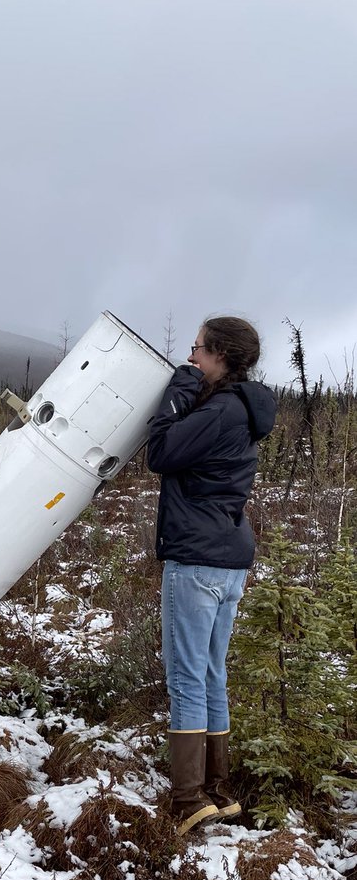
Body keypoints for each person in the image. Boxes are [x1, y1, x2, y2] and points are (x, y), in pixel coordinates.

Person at [147, 316, 276, 835]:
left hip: (197, 559)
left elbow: (161, 451)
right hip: (227, 559)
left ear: (219, 353)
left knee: (185, 674)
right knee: (211, 673)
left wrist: (179, 388)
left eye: (197, 349)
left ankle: (186, 799)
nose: (192, 357)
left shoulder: (221, 409)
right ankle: (216, 791)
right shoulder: (244, 409)